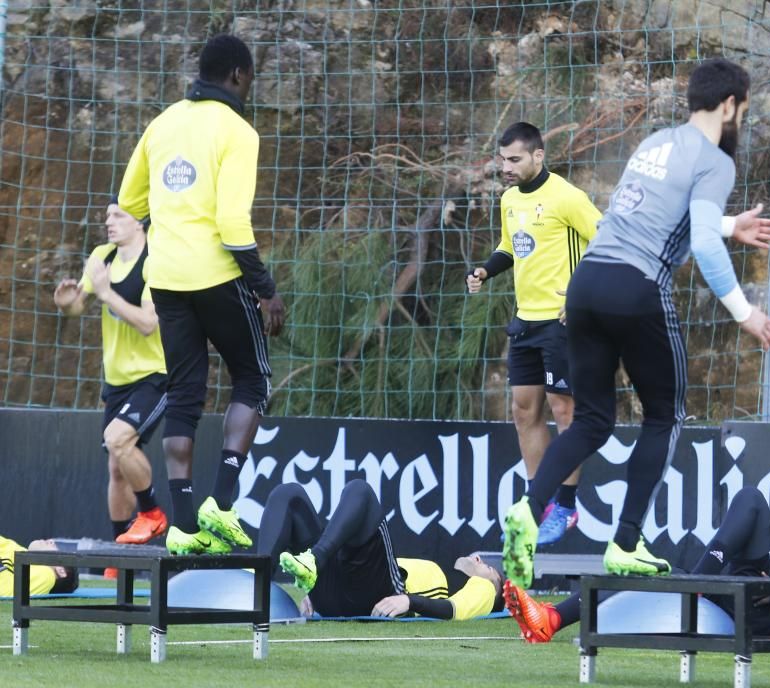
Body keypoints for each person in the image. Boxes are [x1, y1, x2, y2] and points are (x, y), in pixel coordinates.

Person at [501, 58, 770, 588]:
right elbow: (697, 241)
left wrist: (729, 224)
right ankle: (626, 542)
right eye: (741, 109)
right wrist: (745, 312)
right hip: (636, 288)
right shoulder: (717, 162)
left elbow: (656, 215)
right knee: (664, 415)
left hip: (585, 286)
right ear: (729, 106)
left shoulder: (657, 142)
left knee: (591, 420)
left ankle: (527, 511)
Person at [116, 34, 286, 555]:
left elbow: (129, 201)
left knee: (186, 394)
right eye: (250, 78)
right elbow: (234, 225)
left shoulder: (163, 123)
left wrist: (170, 220)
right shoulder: (237, 130)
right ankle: (223, 501)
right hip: (216, 274)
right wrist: (266, 290)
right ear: (237, 75)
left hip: (165, 278)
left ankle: (185, 526)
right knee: (253, 378)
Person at [504, 487, 770, 644]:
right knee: (660, 574)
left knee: (753, 502)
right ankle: (552, 617)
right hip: (763, 595)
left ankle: (555, 617)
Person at [466, 121, 603, 545]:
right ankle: (537, 502)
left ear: (538, 156)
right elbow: (512, 247)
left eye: (514, 159)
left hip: (562, 324)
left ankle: (565, 505)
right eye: (502, 159)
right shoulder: (509, 200)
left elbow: (606, 239)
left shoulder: (566, 197)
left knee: (566, 411)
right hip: (524, 321)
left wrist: (579, 296)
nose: (505, 167)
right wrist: (486, 269)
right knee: (524, 412)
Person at [53, 200, 169, 548]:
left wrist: (106, 293)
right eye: (106, 216)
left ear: (140, 223)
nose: (109, 222)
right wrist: (66, 304)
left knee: (119, 439)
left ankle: (152, 513)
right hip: (117, 380)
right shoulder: (102, 255)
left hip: (155, 375)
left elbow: (149, 323)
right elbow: (78, 305)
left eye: (118, 215)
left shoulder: (155, 260)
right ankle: (121, 555)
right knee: (117, 471)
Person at [258, 480, 505, 620]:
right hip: (343, 591)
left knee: (360, 491)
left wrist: (408, 601)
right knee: (288, 494)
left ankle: (315, 560)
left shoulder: (483, 590)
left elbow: (454, 610)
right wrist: (317, 592)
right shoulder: (442, 569)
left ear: (494, 590)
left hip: (380, 597)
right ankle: (256, 590)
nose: (479, 558)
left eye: (490, 569)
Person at [1, 537, 79, 597]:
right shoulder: (22, 554)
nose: (51, 541)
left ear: (60, 571)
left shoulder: (48, 576)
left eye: (57, 548)